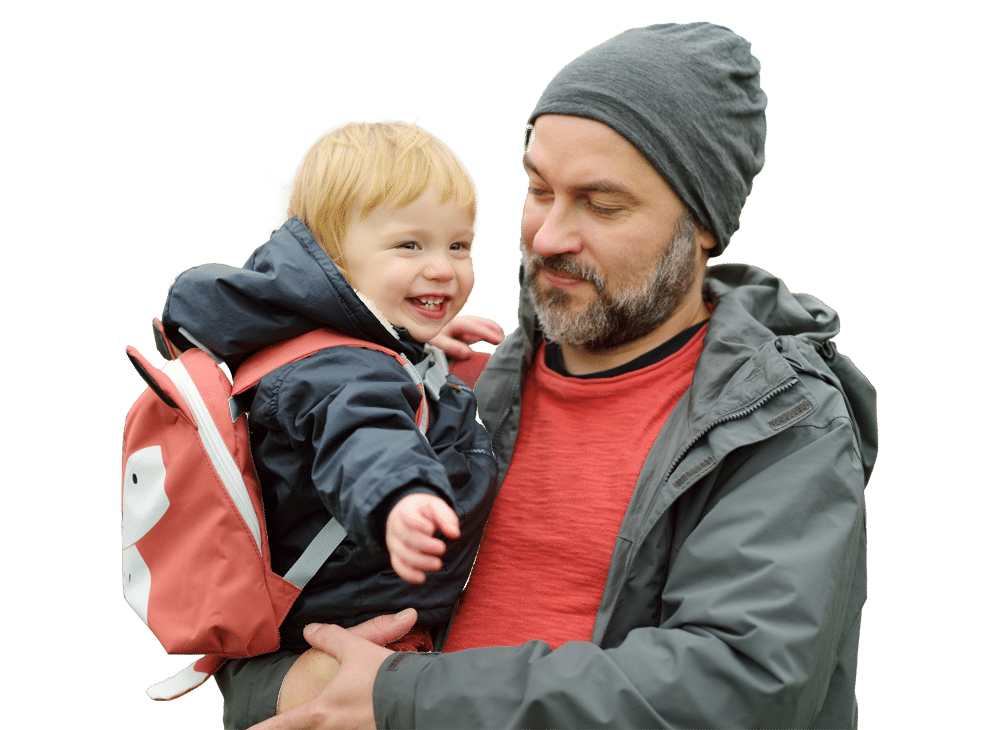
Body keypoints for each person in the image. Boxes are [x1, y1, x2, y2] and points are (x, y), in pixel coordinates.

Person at [227, 22, 879, 730]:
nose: (547, 234)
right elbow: (252, 625)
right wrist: (300, 687)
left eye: (601, 204)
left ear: (704, 228)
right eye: (539, 189)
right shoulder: (447, 390)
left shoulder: (779, 422)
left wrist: (402, 698)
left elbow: (740, 687)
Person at [157, 119, 500, 707]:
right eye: (409, 246)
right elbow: (364, 434)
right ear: (333, 256)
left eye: (459, 245)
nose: (444, 268)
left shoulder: (338, 350)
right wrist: (401, 497)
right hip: (362, 626)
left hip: (336, 613)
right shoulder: (343, 369)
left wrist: (420, 344)